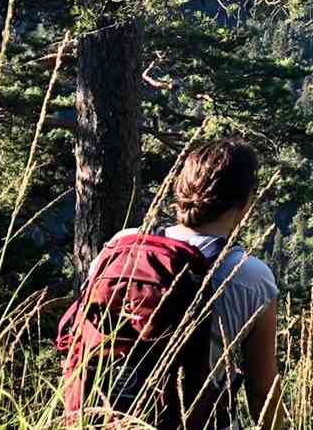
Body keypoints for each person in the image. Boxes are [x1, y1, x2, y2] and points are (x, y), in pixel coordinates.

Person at [86, 138, 283, 430]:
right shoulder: (248, 275)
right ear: (245, 202)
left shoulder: (121, 245)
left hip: (97, 419)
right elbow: (262, 392)